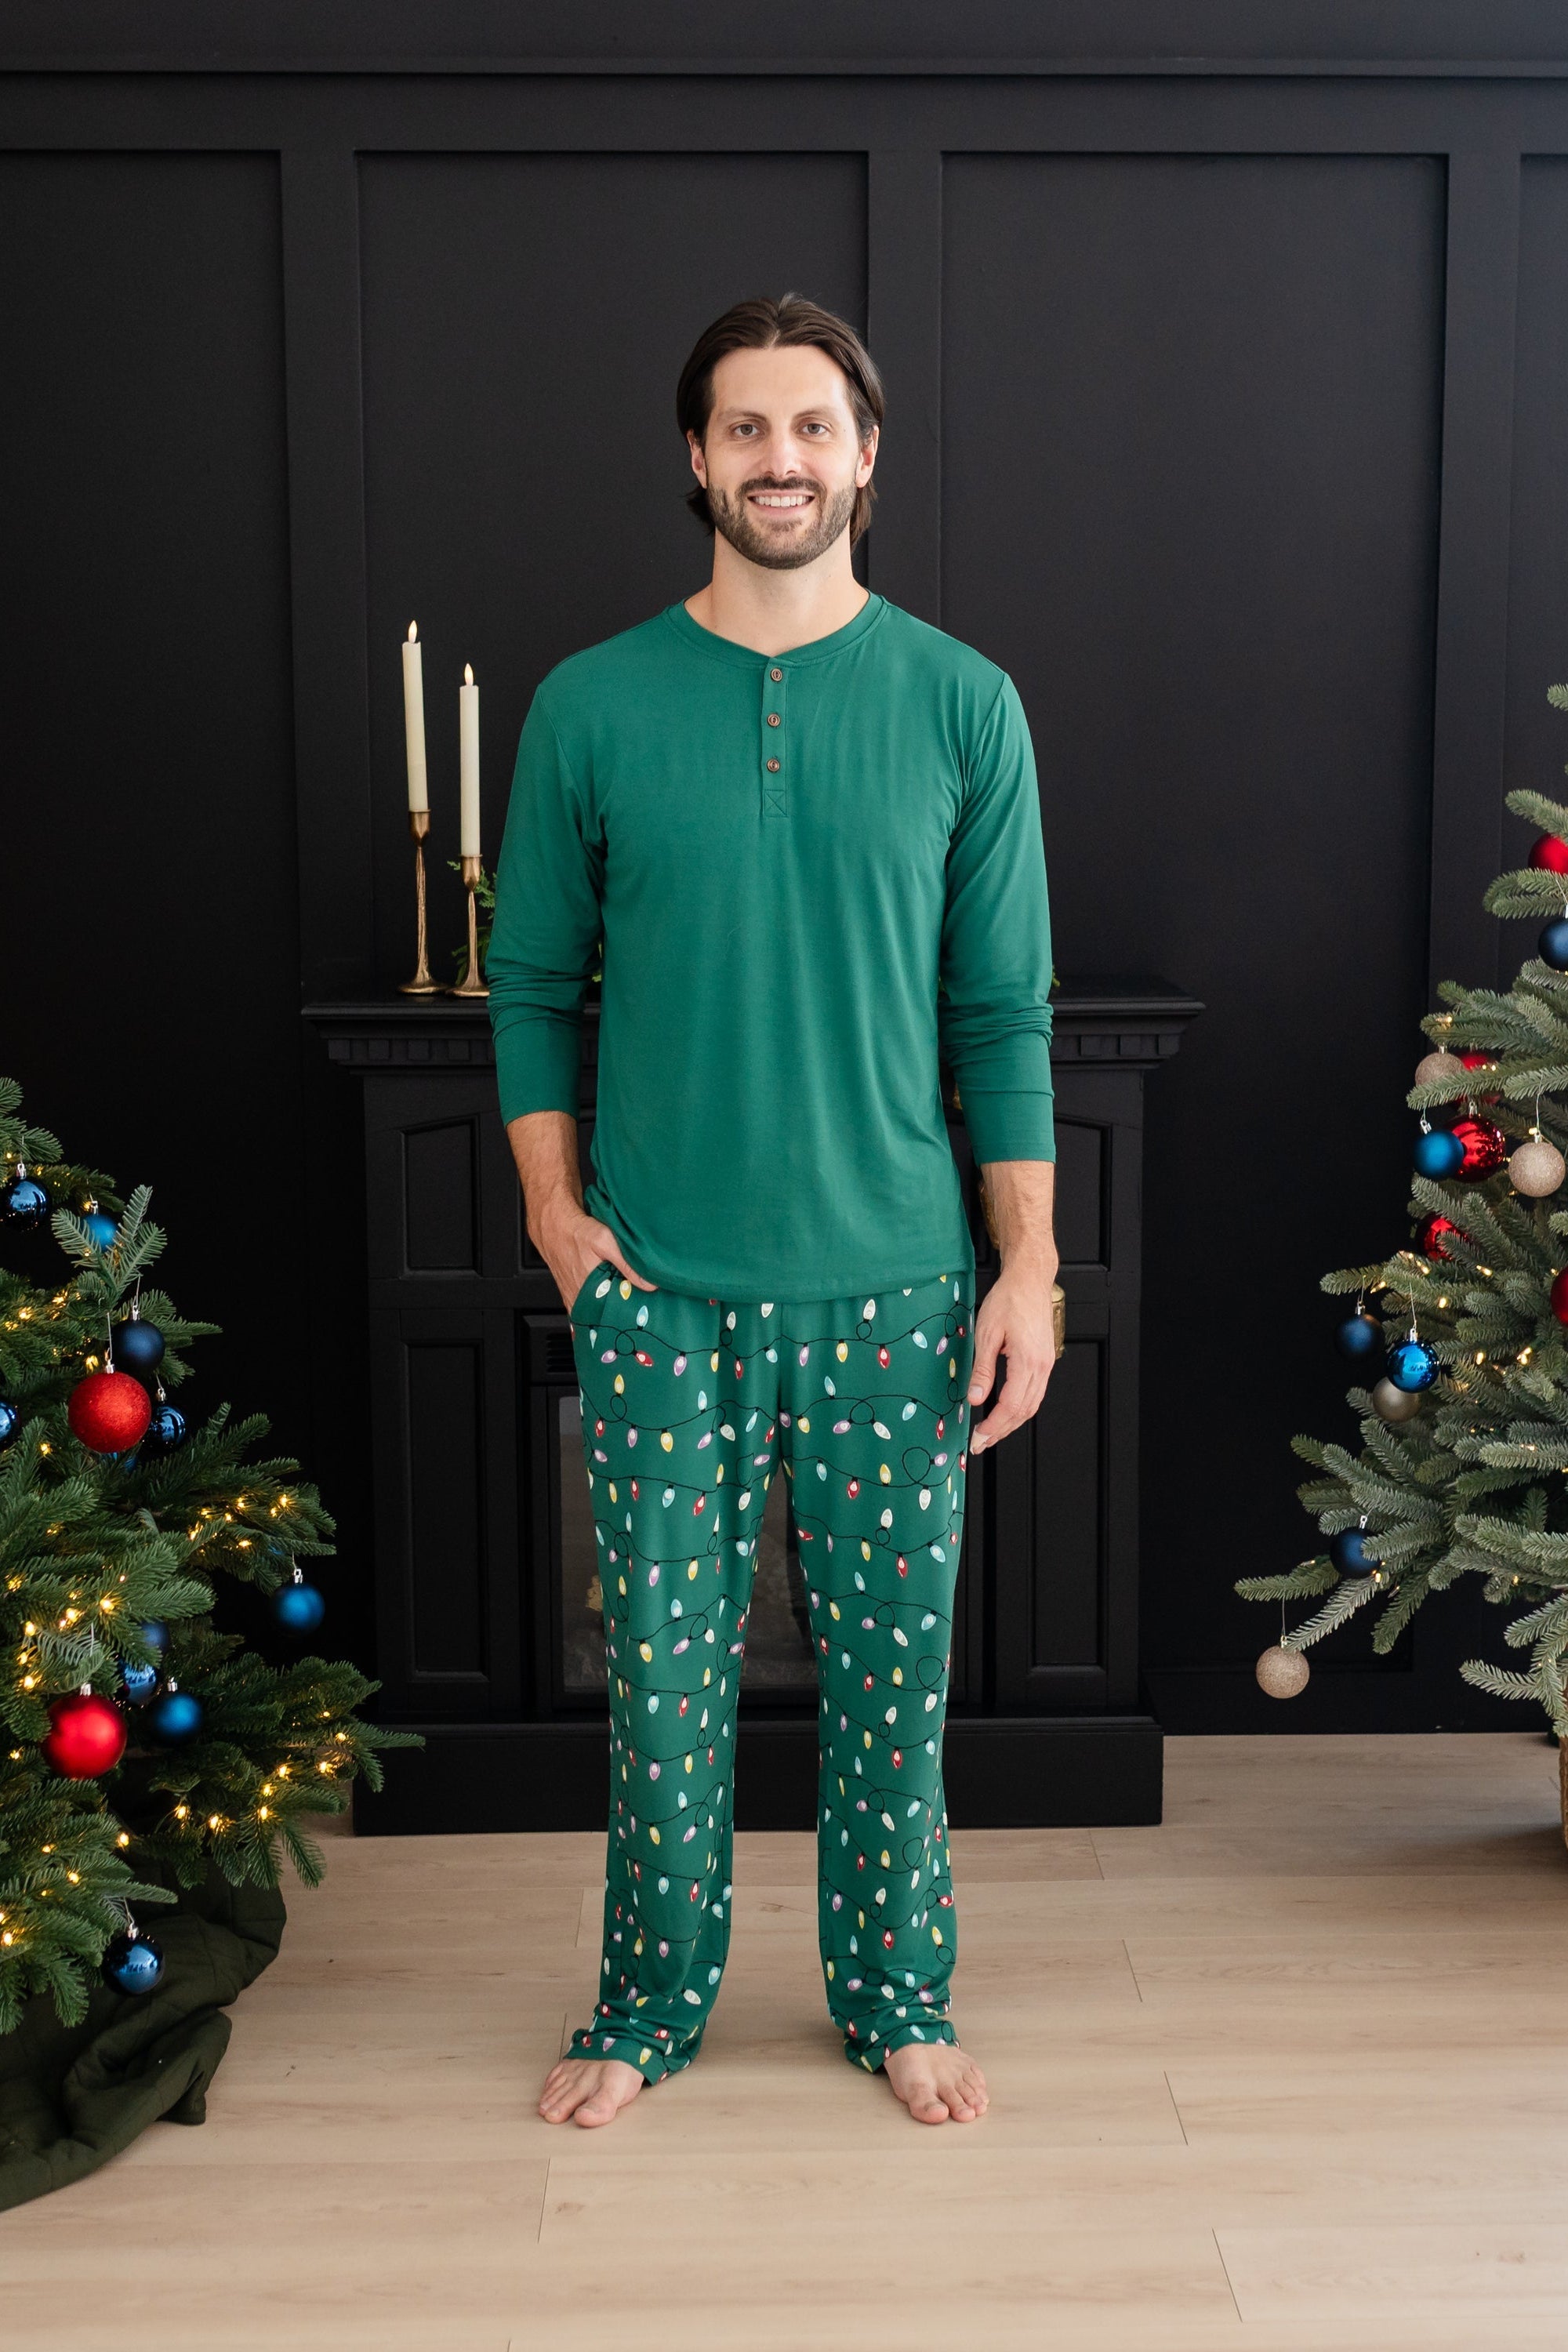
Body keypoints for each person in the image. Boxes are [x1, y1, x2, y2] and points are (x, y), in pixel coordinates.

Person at [487, 292, 1058, 2131]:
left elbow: (1001, 1014)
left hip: (898, 1283)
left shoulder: (965, 704)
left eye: (813, 427)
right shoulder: (589, 704)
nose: (780, 460)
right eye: (746, 430)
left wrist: (1027, 1264)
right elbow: (528, 989)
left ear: (866, 455)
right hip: (658, 1289)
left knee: (893, 1694)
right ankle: (648, 2005)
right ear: (696, 459)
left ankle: (896, 1995)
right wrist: (558, 1223)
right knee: (661, 1693)